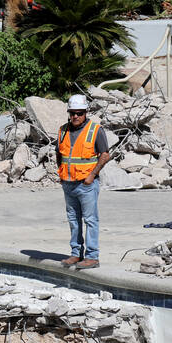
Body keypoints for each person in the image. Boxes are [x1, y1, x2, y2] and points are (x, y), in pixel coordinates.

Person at [56, 94, 111, 270]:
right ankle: (76, 253)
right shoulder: (63, 130)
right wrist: (61, 173)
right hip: (68, 183)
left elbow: (105, 154)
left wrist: (91, 176)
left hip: (86, 184)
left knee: (90, 220)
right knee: (73, 219)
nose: (75, 116)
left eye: (79, 113)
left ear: (86, 112)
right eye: (72, 113)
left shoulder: (95, 130)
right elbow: (60, 153)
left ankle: (92, 256)